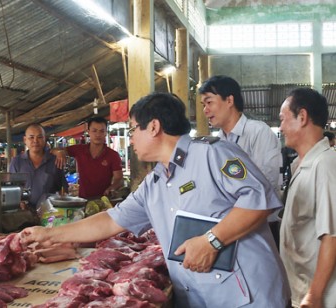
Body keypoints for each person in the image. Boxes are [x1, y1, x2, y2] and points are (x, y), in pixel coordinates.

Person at [22, 92, 291, 307]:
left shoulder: (212, 155)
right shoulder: (155, 183)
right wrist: (49, 235)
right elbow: (110, 220)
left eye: (132, 130)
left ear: (153, 127)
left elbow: (260, 201)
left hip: (246, 296)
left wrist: (212, 240)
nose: (131, 140)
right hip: (199, 296)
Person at [199, 75, 283, 246]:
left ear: (229, 100)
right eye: (203, 105)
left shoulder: (258, 132)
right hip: (231, 228)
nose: (205, 110)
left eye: (209, 102)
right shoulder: (218, 142)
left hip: (262, 226)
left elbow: (267, 183)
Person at [279, 87, 336, 308]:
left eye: (283, 120)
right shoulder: (301, 165)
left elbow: (331, 236)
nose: (281, 127)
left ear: (302, 117)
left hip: (324, 298)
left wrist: (315, 294)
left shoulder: (326, 165)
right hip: (302, 289)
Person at [55, 117, 123, 199]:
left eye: (101, 131)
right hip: (82, 200)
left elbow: (119, 178)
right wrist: (59, 152)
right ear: (88, 132)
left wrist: (112, 187)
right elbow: (53, 150)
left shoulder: (113, 155)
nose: (98, 134)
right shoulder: (79, 150)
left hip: (104, 201)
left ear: (106, 133)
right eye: (94, 131)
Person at [9, 123, 68, 210]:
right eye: (31, 137)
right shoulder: (17, 162)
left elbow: (63, 190)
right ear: (25, 140)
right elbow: (11, 190)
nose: (35, 141)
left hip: (49, 215)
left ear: (45, 139)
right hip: (23, 215)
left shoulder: (54, 161)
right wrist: (19, 202)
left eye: (40, 137)